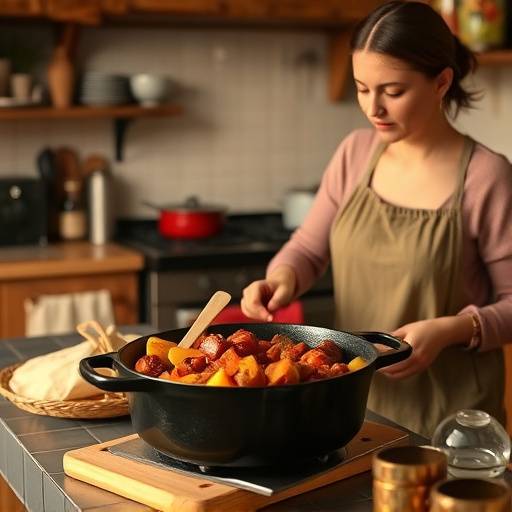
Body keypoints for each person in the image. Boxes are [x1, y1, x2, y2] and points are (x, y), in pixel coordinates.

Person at [240, 0, 512, 437]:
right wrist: (282, 277)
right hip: (356, 403)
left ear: (442, 82)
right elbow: (309, 247)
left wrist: (450, 330)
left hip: (452, 416)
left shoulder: (486, 175)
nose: (373, 108)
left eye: (393, 91)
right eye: (362, 88)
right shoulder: (355, 152)